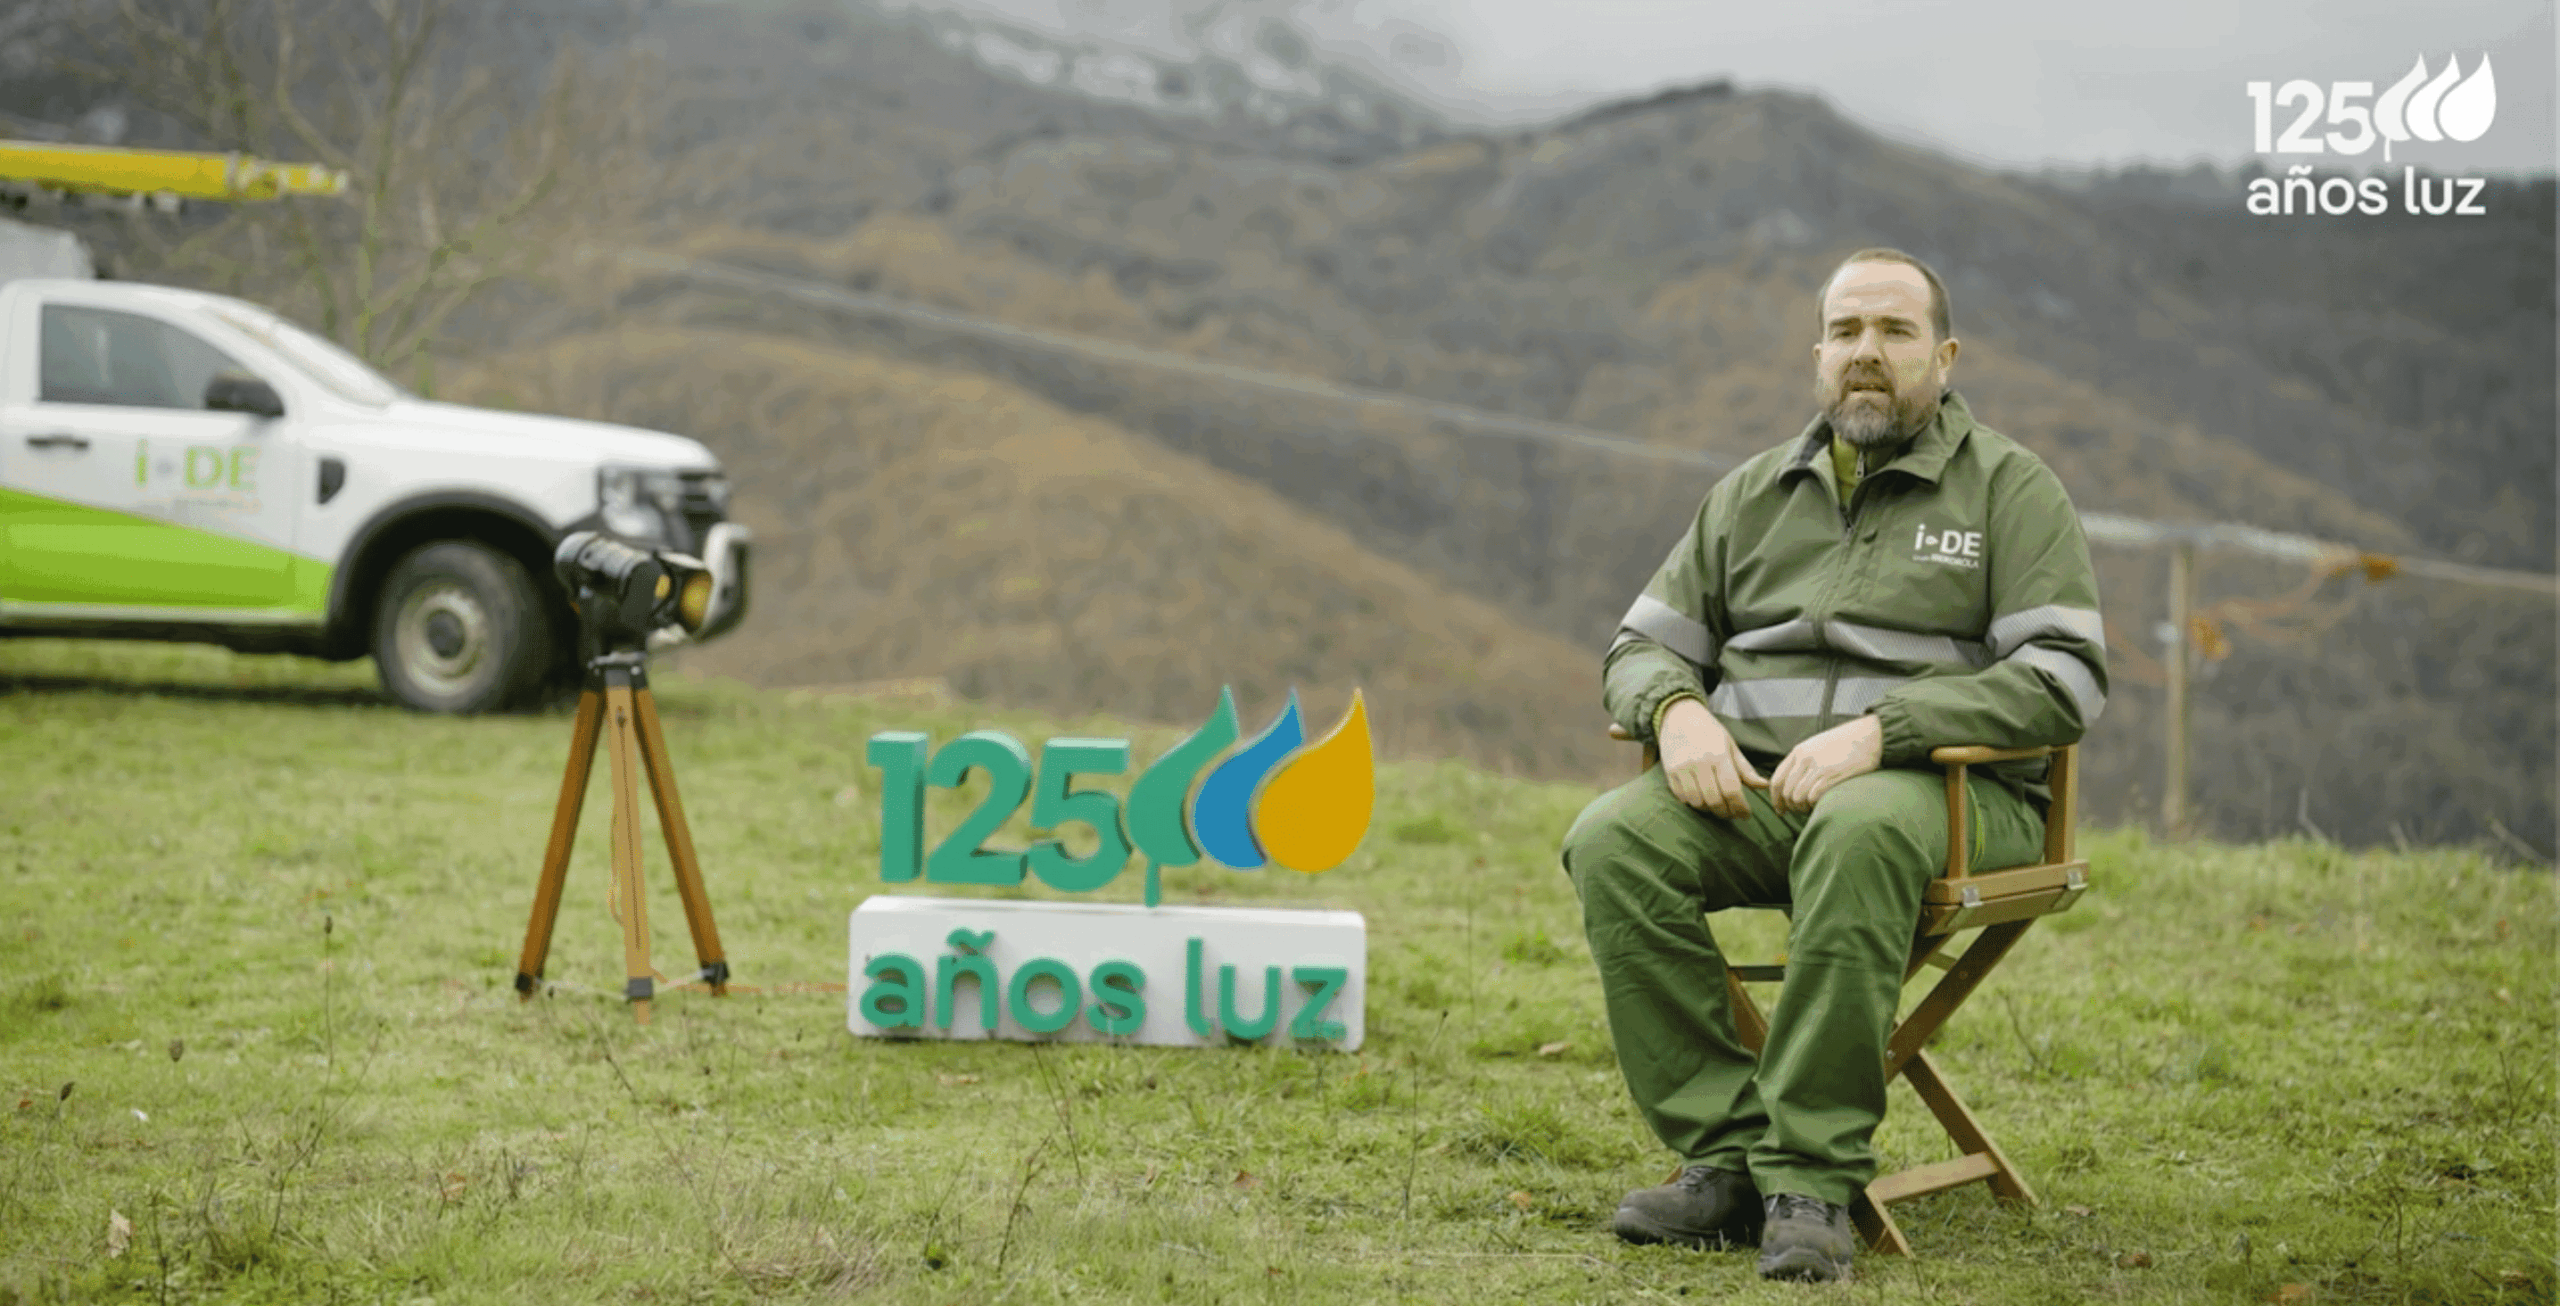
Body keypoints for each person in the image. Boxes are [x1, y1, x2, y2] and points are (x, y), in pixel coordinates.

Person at [1557, 247, 2108, 1283]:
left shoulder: (2010, 490)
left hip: (1954, 801)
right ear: (1817, 353)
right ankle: (1728, 1159)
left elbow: (2064, 678)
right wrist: (1675, 713)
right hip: (1764, 797)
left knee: (1858, 830)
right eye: (1846, 331)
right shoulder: (1751, 494)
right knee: (1612, 841)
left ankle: (1809, 1179)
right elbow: (1637, 648)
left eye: (1895, 331)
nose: (1867, 351)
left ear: (1944, 357)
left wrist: (1886, 731)